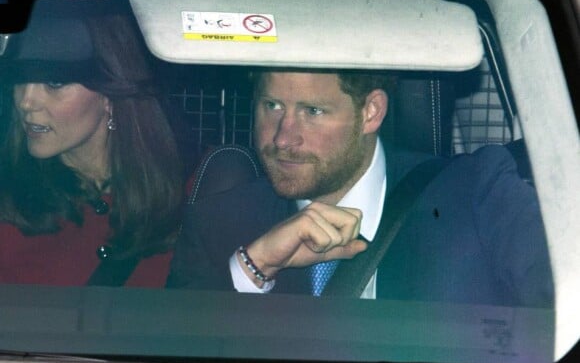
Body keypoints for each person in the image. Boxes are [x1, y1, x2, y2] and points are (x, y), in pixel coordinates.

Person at [167, 69, 554, 307]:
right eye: (272, 106)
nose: (284, 138)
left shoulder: (476, 193)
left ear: (371, 112)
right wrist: (255, 268)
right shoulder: (219, 222)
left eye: (312, 112)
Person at [0, 0, 186, 288]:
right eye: (20, 80)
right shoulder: (9, 199)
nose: (26, 101)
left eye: (54, 84)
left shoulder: (194, 189)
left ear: (109, 95)